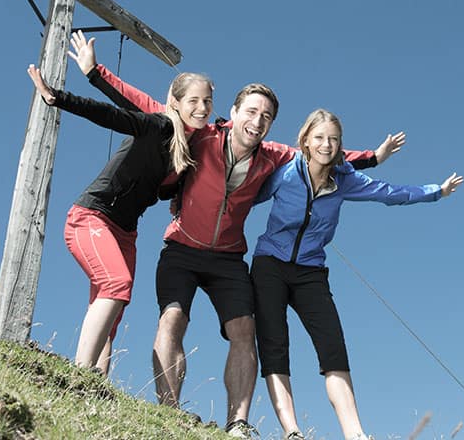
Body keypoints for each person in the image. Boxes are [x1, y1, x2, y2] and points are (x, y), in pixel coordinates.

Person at [69, 37, 403, 439]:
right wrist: (94, 72)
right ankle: (171, 412)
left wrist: (373, 157)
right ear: (234, 112)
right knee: (172, 319)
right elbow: (146, 106)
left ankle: (238, 423)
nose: (257, 121)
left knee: (244, 328)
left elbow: (320, 152)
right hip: (181, 248)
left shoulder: (274, 156)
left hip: (227, 259)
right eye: (251, 111)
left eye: (266, 116)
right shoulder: (201, 135)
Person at [251, 109, 463, 440]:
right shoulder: (286, 172)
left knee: (333, 348)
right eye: (319, 137)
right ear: (306, 140)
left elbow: (391, 194)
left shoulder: (346, 180)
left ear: (339, 146)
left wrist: (437, 191)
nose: (326, 144)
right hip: (269, 265)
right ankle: (292, 431)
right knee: (274, 344)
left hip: (311, 271)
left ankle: (356, 434)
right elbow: (247, 195)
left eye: (333, 139)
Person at [26, 38, 213, 375]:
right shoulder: (159, 124)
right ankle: (79, 375)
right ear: (176, 102)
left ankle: (96, 386)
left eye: (207, 102)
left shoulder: (192, 147)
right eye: (194, 101)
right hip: (91, 217)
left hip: (125, 231)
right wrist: (60, 97)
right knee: (116, 285)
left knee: (112, 308)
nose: (202, 108)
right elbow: (114, 113)